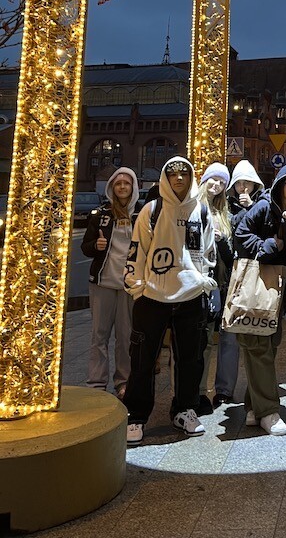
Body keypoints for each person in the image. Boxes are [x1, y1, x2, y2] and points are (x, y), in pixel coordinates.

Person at [123, 157, 217, 445]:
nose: (178, 178)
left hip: (190, 296)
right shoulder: (152, 210)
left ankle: (185, 409)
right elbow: (137, 251)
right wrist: (138, 288)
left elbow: (208, 251)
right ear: (165, 178)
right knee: (143, 359)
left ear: (191, 177)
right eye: (172, 173)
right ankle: (136, 415)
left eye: (184, 173)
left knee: (190, 359)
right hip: (152, 297)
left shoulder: (201, 211)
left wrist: (203, 282)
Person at [234, 162, 286, 435]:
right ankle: (267, 411)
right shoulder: (264, 206)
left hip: (281, 287)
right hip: (257, 283)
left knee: (270, 342)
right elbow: (241, 234)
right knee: (258, 344)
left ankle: (253, 405)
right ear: (279, 186)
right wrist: (268, 245)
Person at [81, 167, 142, 398]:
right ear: (111, 188)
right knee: (99, 336)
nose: (122, 187)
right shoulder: (101, 215)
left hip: (129, 285)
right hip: (102, 283)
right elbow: (85, 246)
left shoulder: (142, 214)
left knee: (125, 337)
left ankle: (123, 381)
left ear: (133, 187)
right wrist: (95, 246)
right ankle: (97, 383)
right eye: (118, 184)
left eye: (126, 183)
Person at [196, 162, 240, 410]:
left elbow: (232, 254)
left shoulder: (226, 214)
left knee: (229, 338)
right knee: (204, 340)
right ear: (204, 181)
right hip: (202, 283)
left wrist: (221, 240)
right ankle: (200, 391)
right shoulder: (193, 209)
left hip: (225, 283)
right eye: (213, 179)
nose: (217, 185)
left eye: (222, 182)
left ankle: (224, 390)